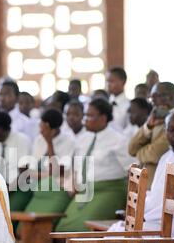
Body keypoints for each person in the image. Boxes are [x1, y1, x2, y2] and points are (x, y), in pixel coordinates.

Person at [104, 112, 174, 243]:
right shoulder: (166, 157)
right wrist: (135, 210)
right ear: (165, 132)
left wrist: (143, 216)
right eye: (172, 129)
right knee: (114, 232)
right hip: (157, 218)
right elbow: (155, 194)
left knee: (138, 238)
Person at [55, 99, 134, 232]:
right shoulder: (84, 139)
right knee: (63, 229)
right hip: (84, 192)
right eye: (85, 115)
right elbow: (77, 165)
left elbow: (132, 170)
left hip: (109, 191)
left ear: (103, 118)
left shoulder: (118, 140)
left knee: (81, 230)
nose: (85, 119)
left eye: (90, 116)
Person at [128, 82, 174, 188]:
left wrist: (139, 153)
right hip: (145, 184)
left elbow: (154, 154)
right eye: (151, 97)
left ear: (171, 98)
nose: (152, 100)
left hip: (160, 185)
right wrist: (148, 127)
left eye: (156, 96)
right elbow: (131, 148)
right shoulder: (155, 118)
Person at [0, 111, 31, 188]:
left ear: (8, 129)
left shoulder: (22, 140)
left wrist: (8, 189)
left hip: (19, 185)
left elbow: (24, 173)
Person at [106, 67, 130, 131]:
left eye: (111, 81)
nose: (108, 84)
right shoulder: (105, 103)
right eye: (107, 81)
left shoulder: (129, 106)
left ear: (123, 82)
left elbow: (129, 130)